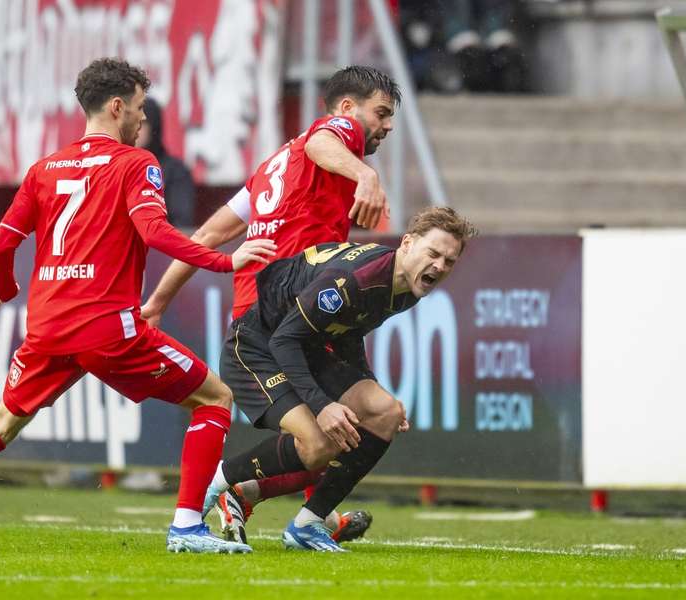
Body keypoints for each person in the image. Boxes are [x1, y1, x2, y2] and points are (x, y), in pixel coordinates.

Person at [0, 58, 275, 554]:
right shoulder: (137, 164)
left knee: (1, 423)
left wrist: (5, 290)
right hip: (107, 328)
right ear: (117, 107)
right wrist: (227, 261)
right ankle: (185, 528)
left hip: (48, 328)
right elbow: (155, 232)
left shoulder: (45, 169)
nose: (142, 120)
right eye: (138, 108)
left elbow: (0, 246)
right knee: (214, 398)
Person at [141, 65, 400, 544]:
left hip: (305, 320)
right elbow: (325, 140)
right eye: (381, 113)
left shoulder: (271, 171)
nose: (386, 126)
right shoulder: (337, 136)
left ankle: (296, 513)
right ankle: (220, 491)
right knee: (320, 439)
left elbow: (206, 236)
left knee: (370, 418)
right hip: (265, 326)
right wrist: (365, 174)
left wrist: (156, 302)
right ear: (347, 109)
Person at [204, 207, 476, 551]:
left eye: (449, 261)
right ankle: (218, 480)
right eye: (433, 253)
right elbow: (284, 339)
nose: (439, 266)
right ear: (407, 243)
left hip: (305, 347)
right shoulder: (353, 280)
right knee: (319, 444)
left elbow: (348, 333)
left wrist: (369, 385)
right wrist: (322, 406)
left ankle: (307, 524)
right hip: (257, 346)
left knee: (385, 412)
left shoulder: (407, 284)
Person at [136, 97, 195, 227]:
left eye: (141, 123)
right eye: (130, 122)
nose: (135, 129)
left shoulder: (176, 171)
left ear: (154, 127)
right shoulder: (116, 166)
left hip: (160, 244)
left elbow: (182, 223)